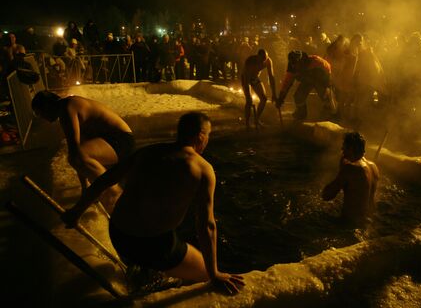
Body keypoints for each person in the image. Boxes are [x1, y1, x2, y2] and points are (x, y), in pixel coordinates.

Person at [61, 112, 245, 294]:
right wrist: (214, 274)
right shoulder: (202, 169)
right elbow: (207, 225)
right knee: (203, 273)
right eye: (209, 136)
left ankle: (145, 273)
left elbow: (103, 181)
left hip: (118, 234)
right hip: (153, 247)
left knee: (163, 239)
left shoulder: (147, 151)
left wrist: (76, 212)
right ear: (201, 137)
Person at [31, 91, 134, 213]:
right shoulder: (68, 106)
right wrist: (85, 189)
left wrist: (79, 208)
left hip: (121, 140)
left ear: (46, 106)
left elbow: (76, 153)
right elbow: (80, 153)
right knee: (80, 159)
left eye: (39, 113)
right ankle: (108, 189)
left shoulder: (67, 108)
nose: (43, 119)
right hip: (116, 141)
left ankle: (114, 192)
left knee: (76, 157)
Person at [322, 132, 379, 225]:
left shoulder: (350, 170)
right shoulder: (373, 167)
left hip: (349, 224)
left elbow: (327, 195)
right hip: (368, 222)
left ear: (351, 149)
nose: (342, 149)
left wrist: (341, 171)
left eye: (344, 146)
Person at [275, 50, 336, 120]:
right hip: (307, 81)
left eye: (296, 63)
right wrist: (281, 98)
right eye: (293, 64)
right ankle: (301, 113)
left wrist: (328, 84)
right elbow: (287, 83)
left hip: (320, 79)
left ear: (301, 60)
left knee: (326, 95)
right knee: (298, 96)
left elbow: (328, 69)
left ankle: (330, 113)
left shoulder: (316, 62)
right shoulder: (292, 68)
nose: (295, 66)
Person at [240, 49, 277, 129]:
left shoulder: (268, 61)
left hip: (255, 77)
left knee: (264, 99)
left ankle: (257, 119)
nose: (263, 61)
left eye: (265, 59)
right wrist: (248, 93)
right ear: (257, 57)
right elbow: (247, 80)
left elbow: (271, 77)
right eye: (261, 59)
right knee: (249, 100)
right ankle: (247, 123)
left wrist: (274, 93)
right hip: (246, 77)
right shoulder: (250, 61)